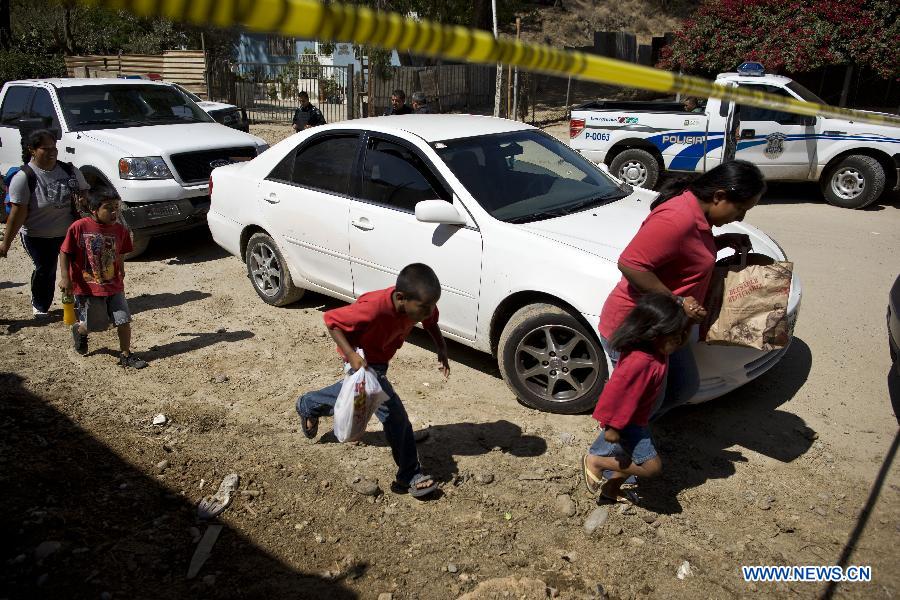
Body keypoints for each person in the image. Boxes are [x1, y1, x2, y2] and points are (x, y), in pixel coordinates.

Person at [597, 160, 766, 415]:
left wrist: (719, 243)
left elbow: (684, 253)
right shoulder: (677, 217)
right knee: (638, 408)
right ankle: (606, 451)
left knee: (682, 388)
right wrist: (679, 301)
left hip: (671, 326)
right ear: (719, 196)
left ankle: (637, 436)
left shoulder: (698, 215)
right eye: (740, 209)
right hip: (639, 328)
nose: (740, 218)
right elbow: (631, 265)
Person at [296, 263, 450, 498]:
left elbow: (431, 321)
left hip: (380, 360)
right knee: (395, 415)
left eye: (432, 306)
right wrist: (351, 355)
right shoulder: (374, 308)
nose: (429, 312)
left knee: (354, 396)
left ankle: (309, 405)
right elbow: (332, 321)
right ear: (401, 298)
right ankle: (409, 475)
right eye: (424, 308)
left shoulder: (419, 305)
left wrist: (441, 347)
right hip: (363, 360)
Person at [583, 293, 689, 503]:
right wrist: (613, 426)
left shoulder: (656, 350)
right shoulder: (640, 362)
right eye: (674, 335)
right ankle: (595, 461)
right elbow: (616, 392)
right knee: (652, 468)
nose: (679, 340)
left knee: (629, 457)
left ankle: (611, 489)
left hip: (637, 419)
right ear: (654, 334)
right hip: (629, 425)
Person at [0, 129, 90, 317]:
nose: (52, 152)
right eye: (45, 148)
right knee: (46, 270)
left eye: (54, 148)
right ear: (32, 150)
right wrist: (6, 243)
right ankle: (40, 305)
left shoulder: (70, 171)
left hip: (68, 233)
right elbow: (18, 214)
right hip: (38, 234)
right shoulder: (24, 177)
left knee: (77, 269)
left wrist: (83, 201)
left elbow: (85, 195)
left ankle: (81, 302)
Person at [59, 187, 148, 369]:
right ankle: (80, 330)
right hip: (88, 287)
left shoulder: (120, 230)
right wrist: (65, 278)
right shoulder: (79, 227)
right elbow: (65, 252)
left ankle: (126, 354)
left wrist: (121, 268)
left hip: (114, 284)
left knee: (123, 319)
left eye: (117, 206)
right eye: (108, 207)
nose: (114, 211)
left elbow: (121, 251)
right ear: (94, 209)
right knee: (97, 325)